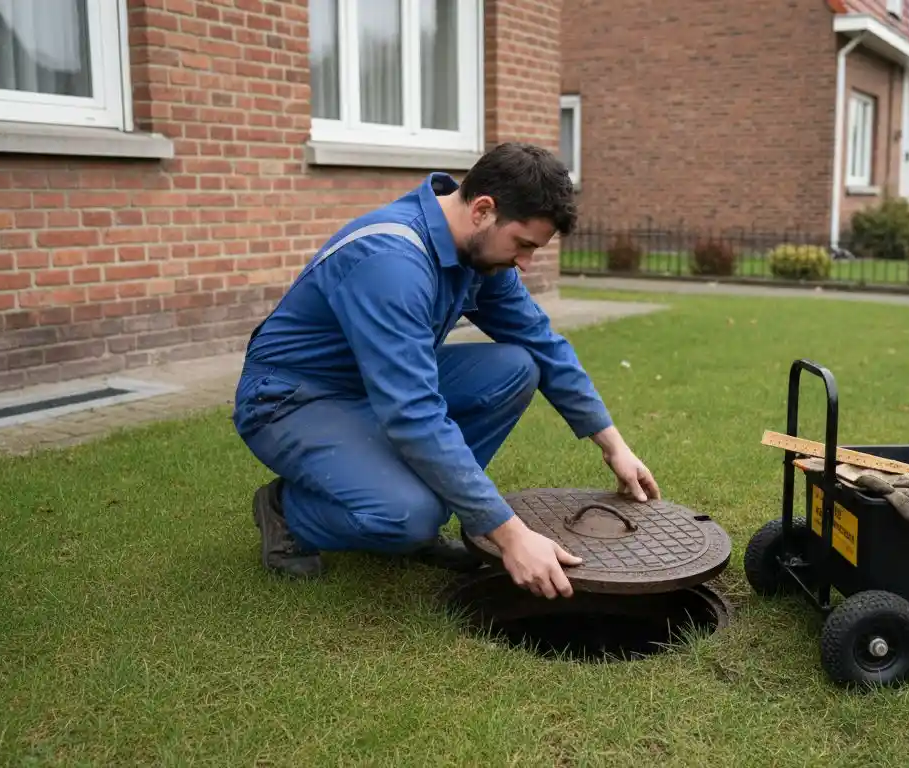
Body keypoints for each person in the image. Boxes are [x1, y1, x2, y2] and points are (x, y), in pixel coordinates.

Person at [232, 142, 660, 600]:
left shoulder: (477, 254)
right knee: (407, 516)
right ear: (482, 210)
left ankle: (424, 500)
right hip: (292, 398)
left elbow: (541, 341)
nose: (525, 262)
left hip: (370, 384)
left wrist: (612, 443)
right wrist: (510, 535)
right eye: (523, 244)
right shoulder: (391, 262)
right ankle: (288, 511)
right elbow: (412, 412)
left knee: (517, 366)